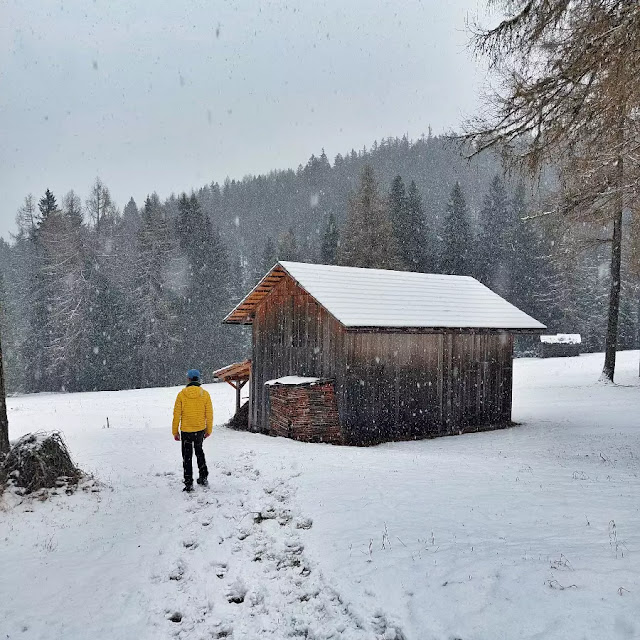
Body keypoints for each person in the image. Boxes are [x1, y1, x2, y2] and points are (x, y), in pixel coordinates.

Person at [172, 369, 213, 492]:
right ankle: (203, 477)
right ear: (198, 379)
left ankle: (189, 483)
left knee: (187, 457)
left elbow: (176, 415)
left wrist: (175, 431)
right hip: (200, 430)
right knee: (199, 453)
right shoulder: (205, 394)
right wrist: (208, 430)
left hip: (186, 431)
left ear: (188, 379)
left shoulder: (181, 394)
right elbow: (209, 414)